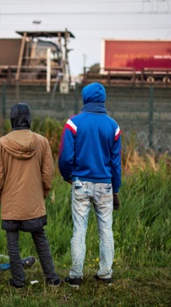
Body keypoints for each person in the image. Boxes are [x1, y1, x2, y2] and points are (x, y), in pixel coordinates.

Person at [0, 102, 61, 288]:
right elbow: (48, 173)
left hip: (11, 202)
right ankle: (52, 278)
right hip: (34, 200)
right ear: (29, 119)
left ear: (12, 120)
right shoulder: (42, 142)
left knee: (12, 243)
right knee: (40, 238)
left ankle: (19, 281)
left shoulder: (1, 144)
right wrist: (43, 192)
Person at [58, 82, 121, 288]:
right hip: (105, 185)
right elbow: (115, 163)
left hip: (80, 183)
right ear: (103, 99)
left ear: (85, 98)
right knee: (106, 230)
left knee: (79, 230)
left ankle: (75, 276)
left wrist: (68, 176)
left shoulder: (73, 123)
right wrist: (116, 189)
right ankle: (105, 274)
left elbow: (66, 157)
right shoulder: (113, 126)